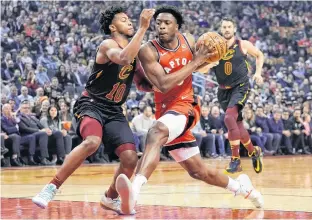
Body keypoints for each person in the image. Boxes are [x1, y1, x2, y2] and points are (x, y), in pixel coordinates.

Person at [115, 6, 263, 215]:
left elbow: (201, 65)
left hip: (186, 106)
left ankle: (134, 191)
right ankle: (245, 189)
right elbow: (164, 84)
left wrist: (209, 60)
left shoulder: (190, 41)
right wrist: (196, 62)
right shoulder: (148, 50)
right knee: (199, 172)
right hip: (166, 112)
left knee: (156, 132)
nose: (162, 26)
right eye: (159, 23)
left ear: (177, 27)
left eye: (167, 23)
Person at [32, 6, 155, 214]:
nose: (130, 22)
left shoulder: (135, 52)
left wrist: (165, 81)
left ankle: (110, 198)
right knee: (92, 142)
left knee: (130, 158)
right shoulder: (108, 44)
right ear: (113, 26)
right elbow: (123, 58)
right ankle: (51, 187)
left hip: (114, 110)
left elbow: (143, 83)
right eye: (124, 20)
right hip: (92, 104)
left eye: (130, 20)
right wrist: (143, 28)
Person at [198, 17, 264, 174]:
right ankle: (253, 152)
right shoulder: (214, 48)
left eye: (229, 27)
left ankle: (235, 160)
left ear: (234, 29)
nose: (227, 29)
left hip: (240, 86)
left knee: (228, 118)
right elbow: (202, 70)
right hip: (223, 90)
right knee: (237, 124)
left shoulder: (243, 44)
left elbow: (259, 55)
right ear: (221, 30)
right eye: (224, 27)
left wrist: (258, 73)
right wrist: (207, 64)